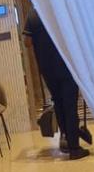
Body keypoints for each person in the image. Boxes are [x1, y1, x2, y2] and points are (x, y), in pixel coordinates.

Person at [23, 8, 89, 160]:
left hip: (47, 69)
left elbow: (27, 42)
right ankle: (74, 148)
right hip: (66, 66)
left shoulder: (33, 15)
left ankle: (66, 139)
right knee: (70, 106)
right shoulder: (60, 10)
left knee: (59, 104)